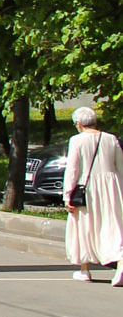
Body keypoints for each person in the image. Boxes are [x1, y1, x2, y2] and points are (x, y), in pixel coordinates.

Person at [63, 106, 123, 282]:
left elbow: (72, 170)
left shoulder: (76, 140)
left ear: (79, 124)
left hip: (86, 188)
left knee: (85, 225)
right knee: (112, 224)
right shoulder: (111, 139)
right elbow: (120, 167)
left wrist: (67, 195)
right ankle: (120, 262)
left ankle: (85, 269)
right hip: (111, 187)